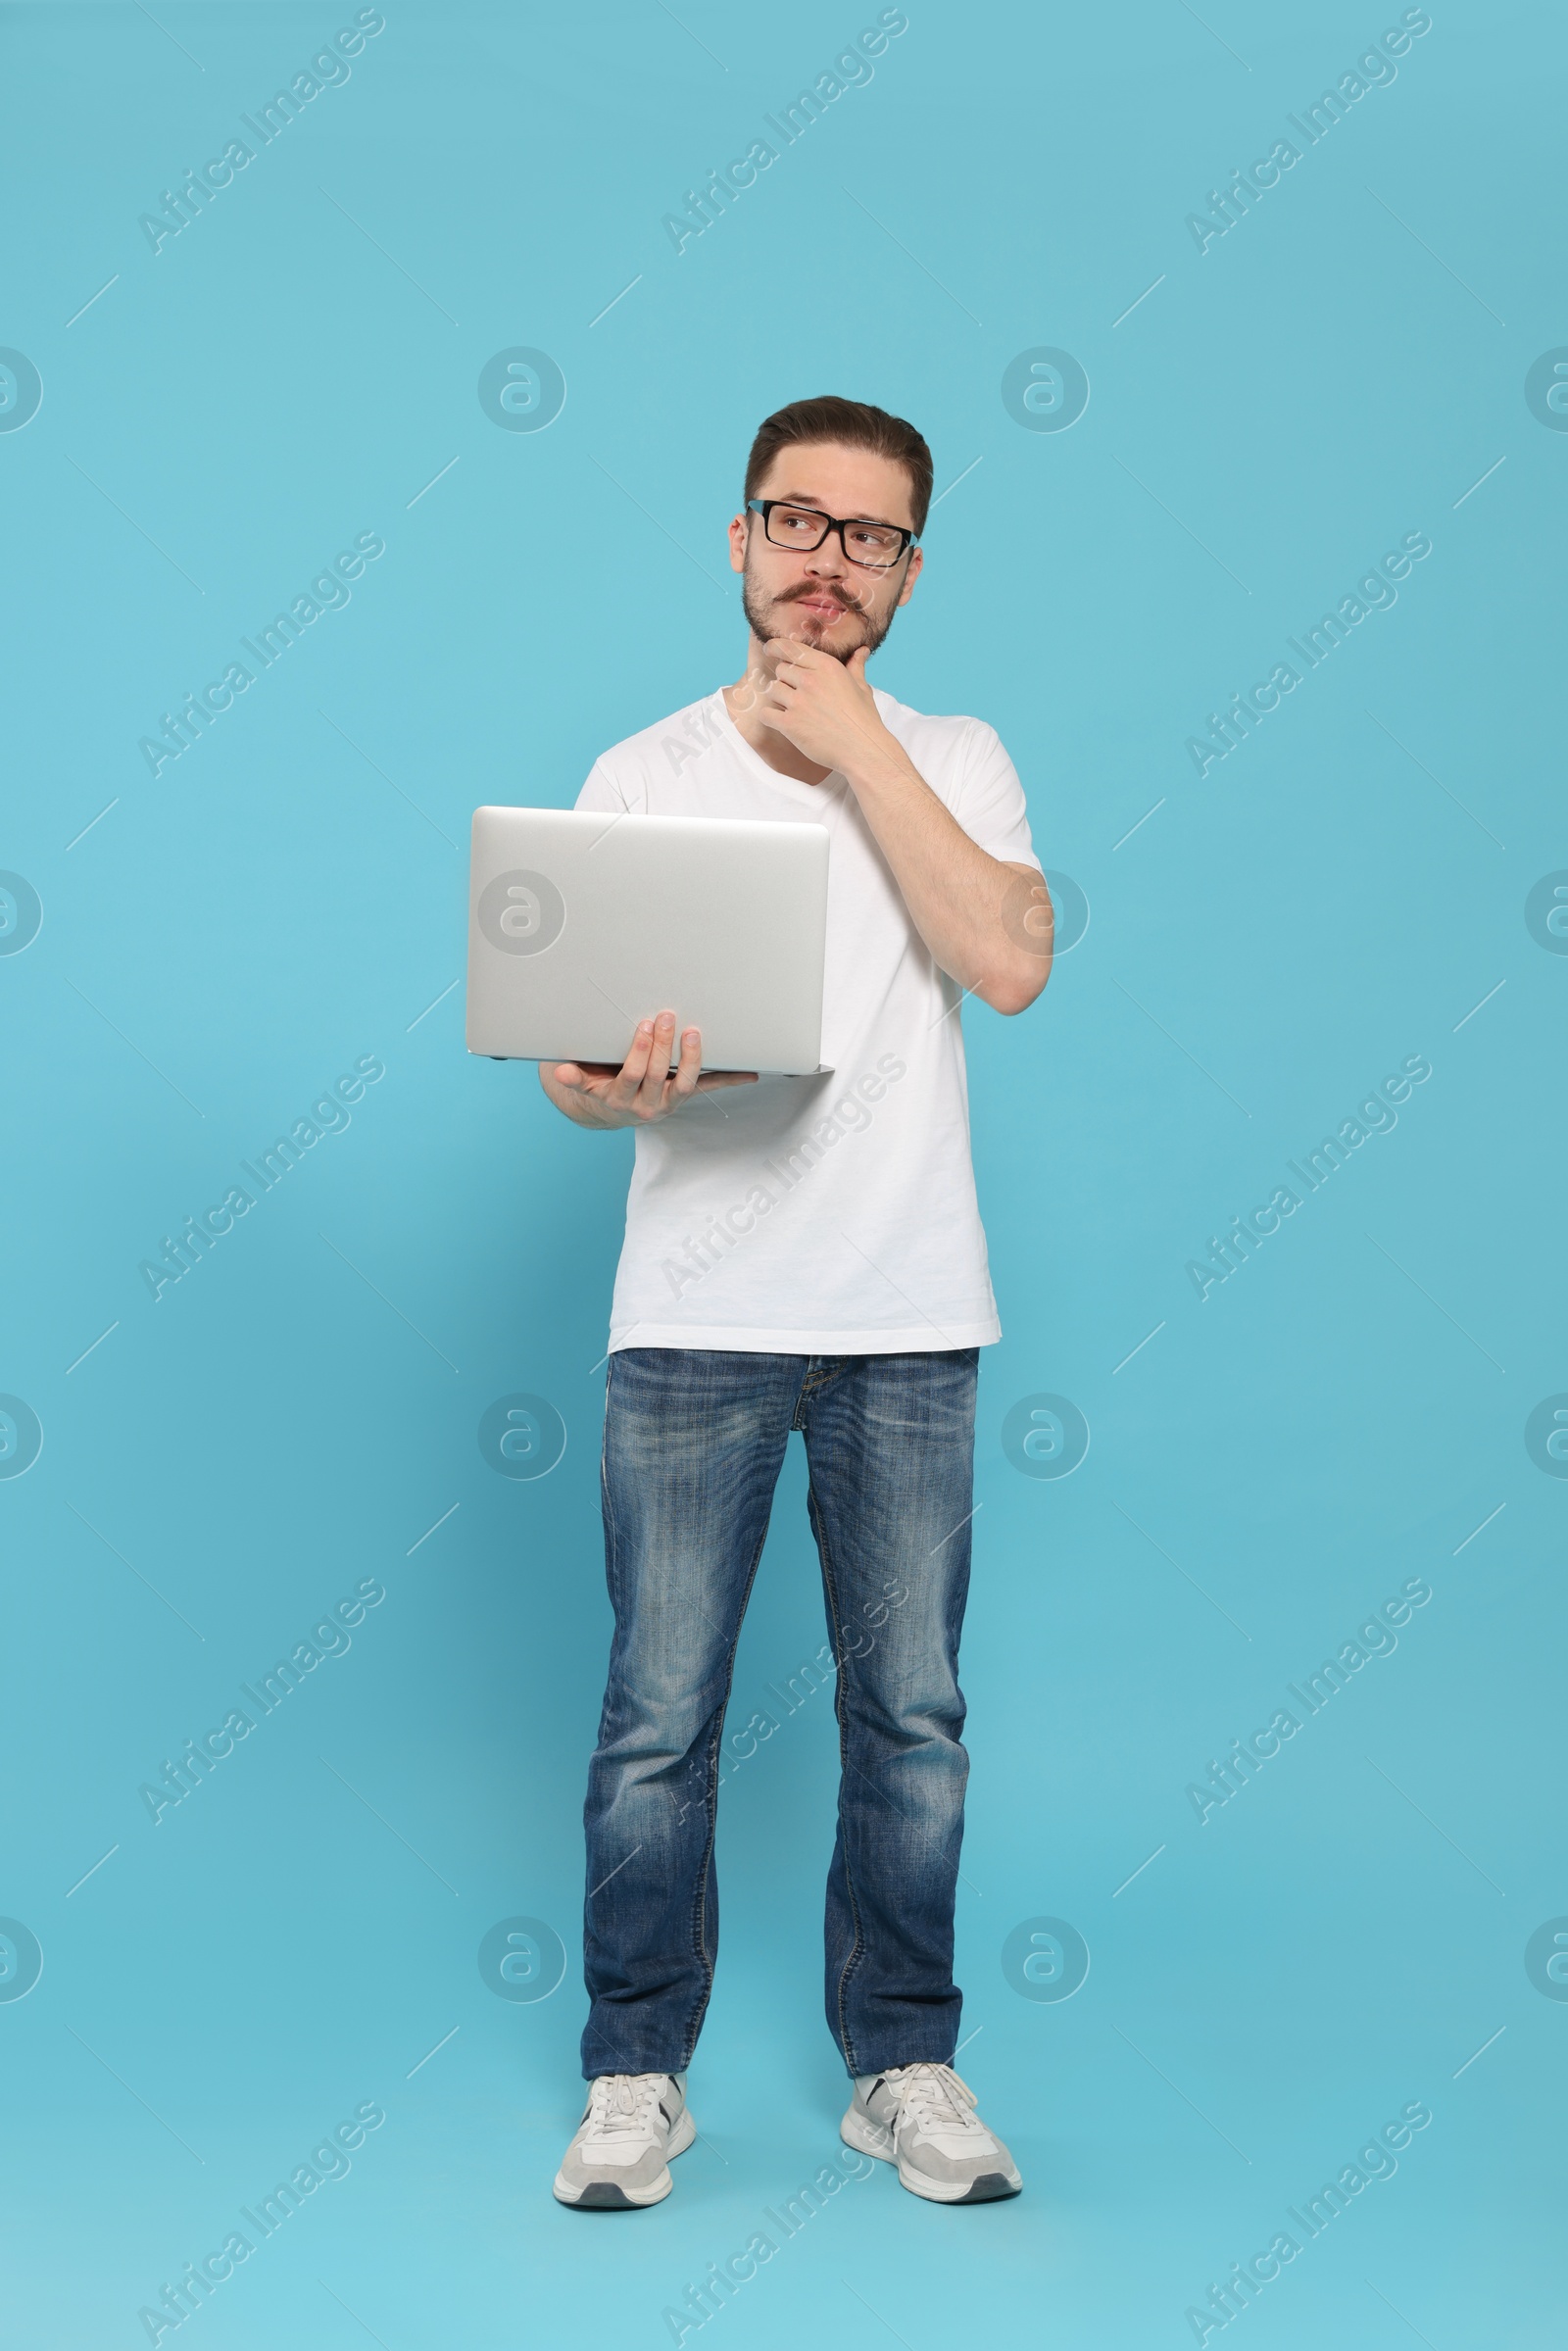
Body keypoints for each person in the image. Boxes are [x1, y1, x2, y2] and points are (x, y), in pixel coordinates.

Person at [539, 395, 1053, 2210]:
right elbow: (572, 1068)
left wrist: (854, 753)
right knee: (657, 1714)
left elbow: (1005, 959)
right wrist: (608, 1088)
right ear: (737, 539)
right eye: (798, 521)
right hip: (692, 1318)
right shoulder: (638, 772)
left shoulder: (957, 755)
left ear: (910, 572)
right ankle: (633, 2073)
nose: (829, 561)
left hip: (908, 1313)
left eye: (872, 536)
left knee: (909, 1709)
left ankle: (901, 2058)